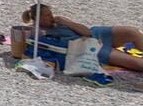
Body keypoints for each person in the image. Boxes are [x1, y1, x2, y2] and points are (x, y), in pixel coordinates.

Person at [10, 5, 143, 72]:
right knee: (136, 63)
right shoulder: (38, 32)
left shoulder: (60, 22)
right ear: (37, 18)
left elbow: (87, 32)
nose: (50, 17)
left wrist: (67, 22)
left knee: (131, 32)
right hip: (85, 48)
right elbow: (27, 38)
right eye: (46, 16)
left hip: (92, 34)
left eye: (50, 14)